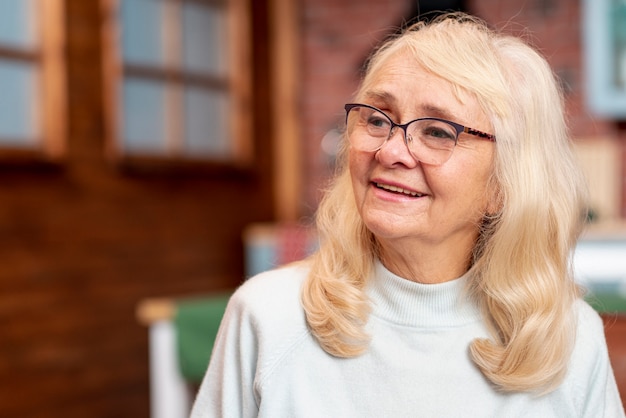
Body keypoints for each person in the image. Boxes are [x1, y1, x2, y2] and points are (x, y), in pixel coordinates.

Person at [190, 12, 625, 417]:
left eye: (438, 131)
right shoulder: (267, 316)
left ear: (504, 186)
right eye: (378, 119)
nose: (391, 150)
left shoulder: (571, 340)